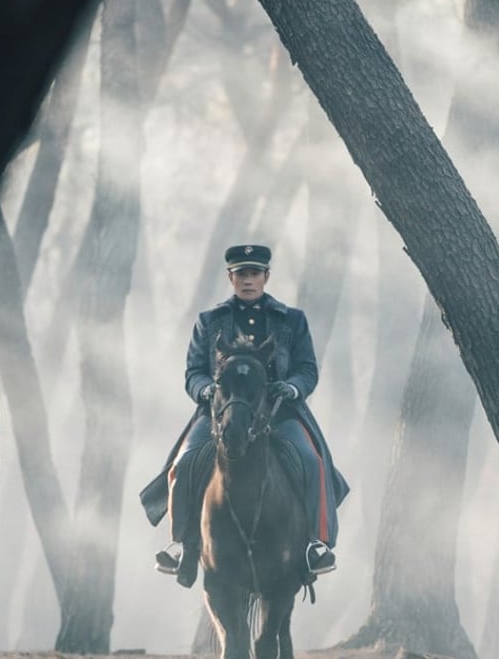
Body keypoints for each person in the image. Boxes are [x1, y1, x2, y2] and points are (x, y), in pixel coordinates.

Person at [140, 244, 348, 588]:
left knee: (313, 462)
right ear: (231, 277)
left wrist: (293, 388)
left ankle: (315, 543)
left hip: (280, 415)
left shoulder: (292, 320)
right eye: (241, 274)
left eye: (254, 274)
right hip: (221, 415)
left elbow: (307, 369)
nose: (247, 280)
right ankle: (182, 545)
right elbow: (193, 371)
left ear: (266, 276)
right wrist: (206, 390)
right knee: (184, 462)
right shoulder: (209, 321)